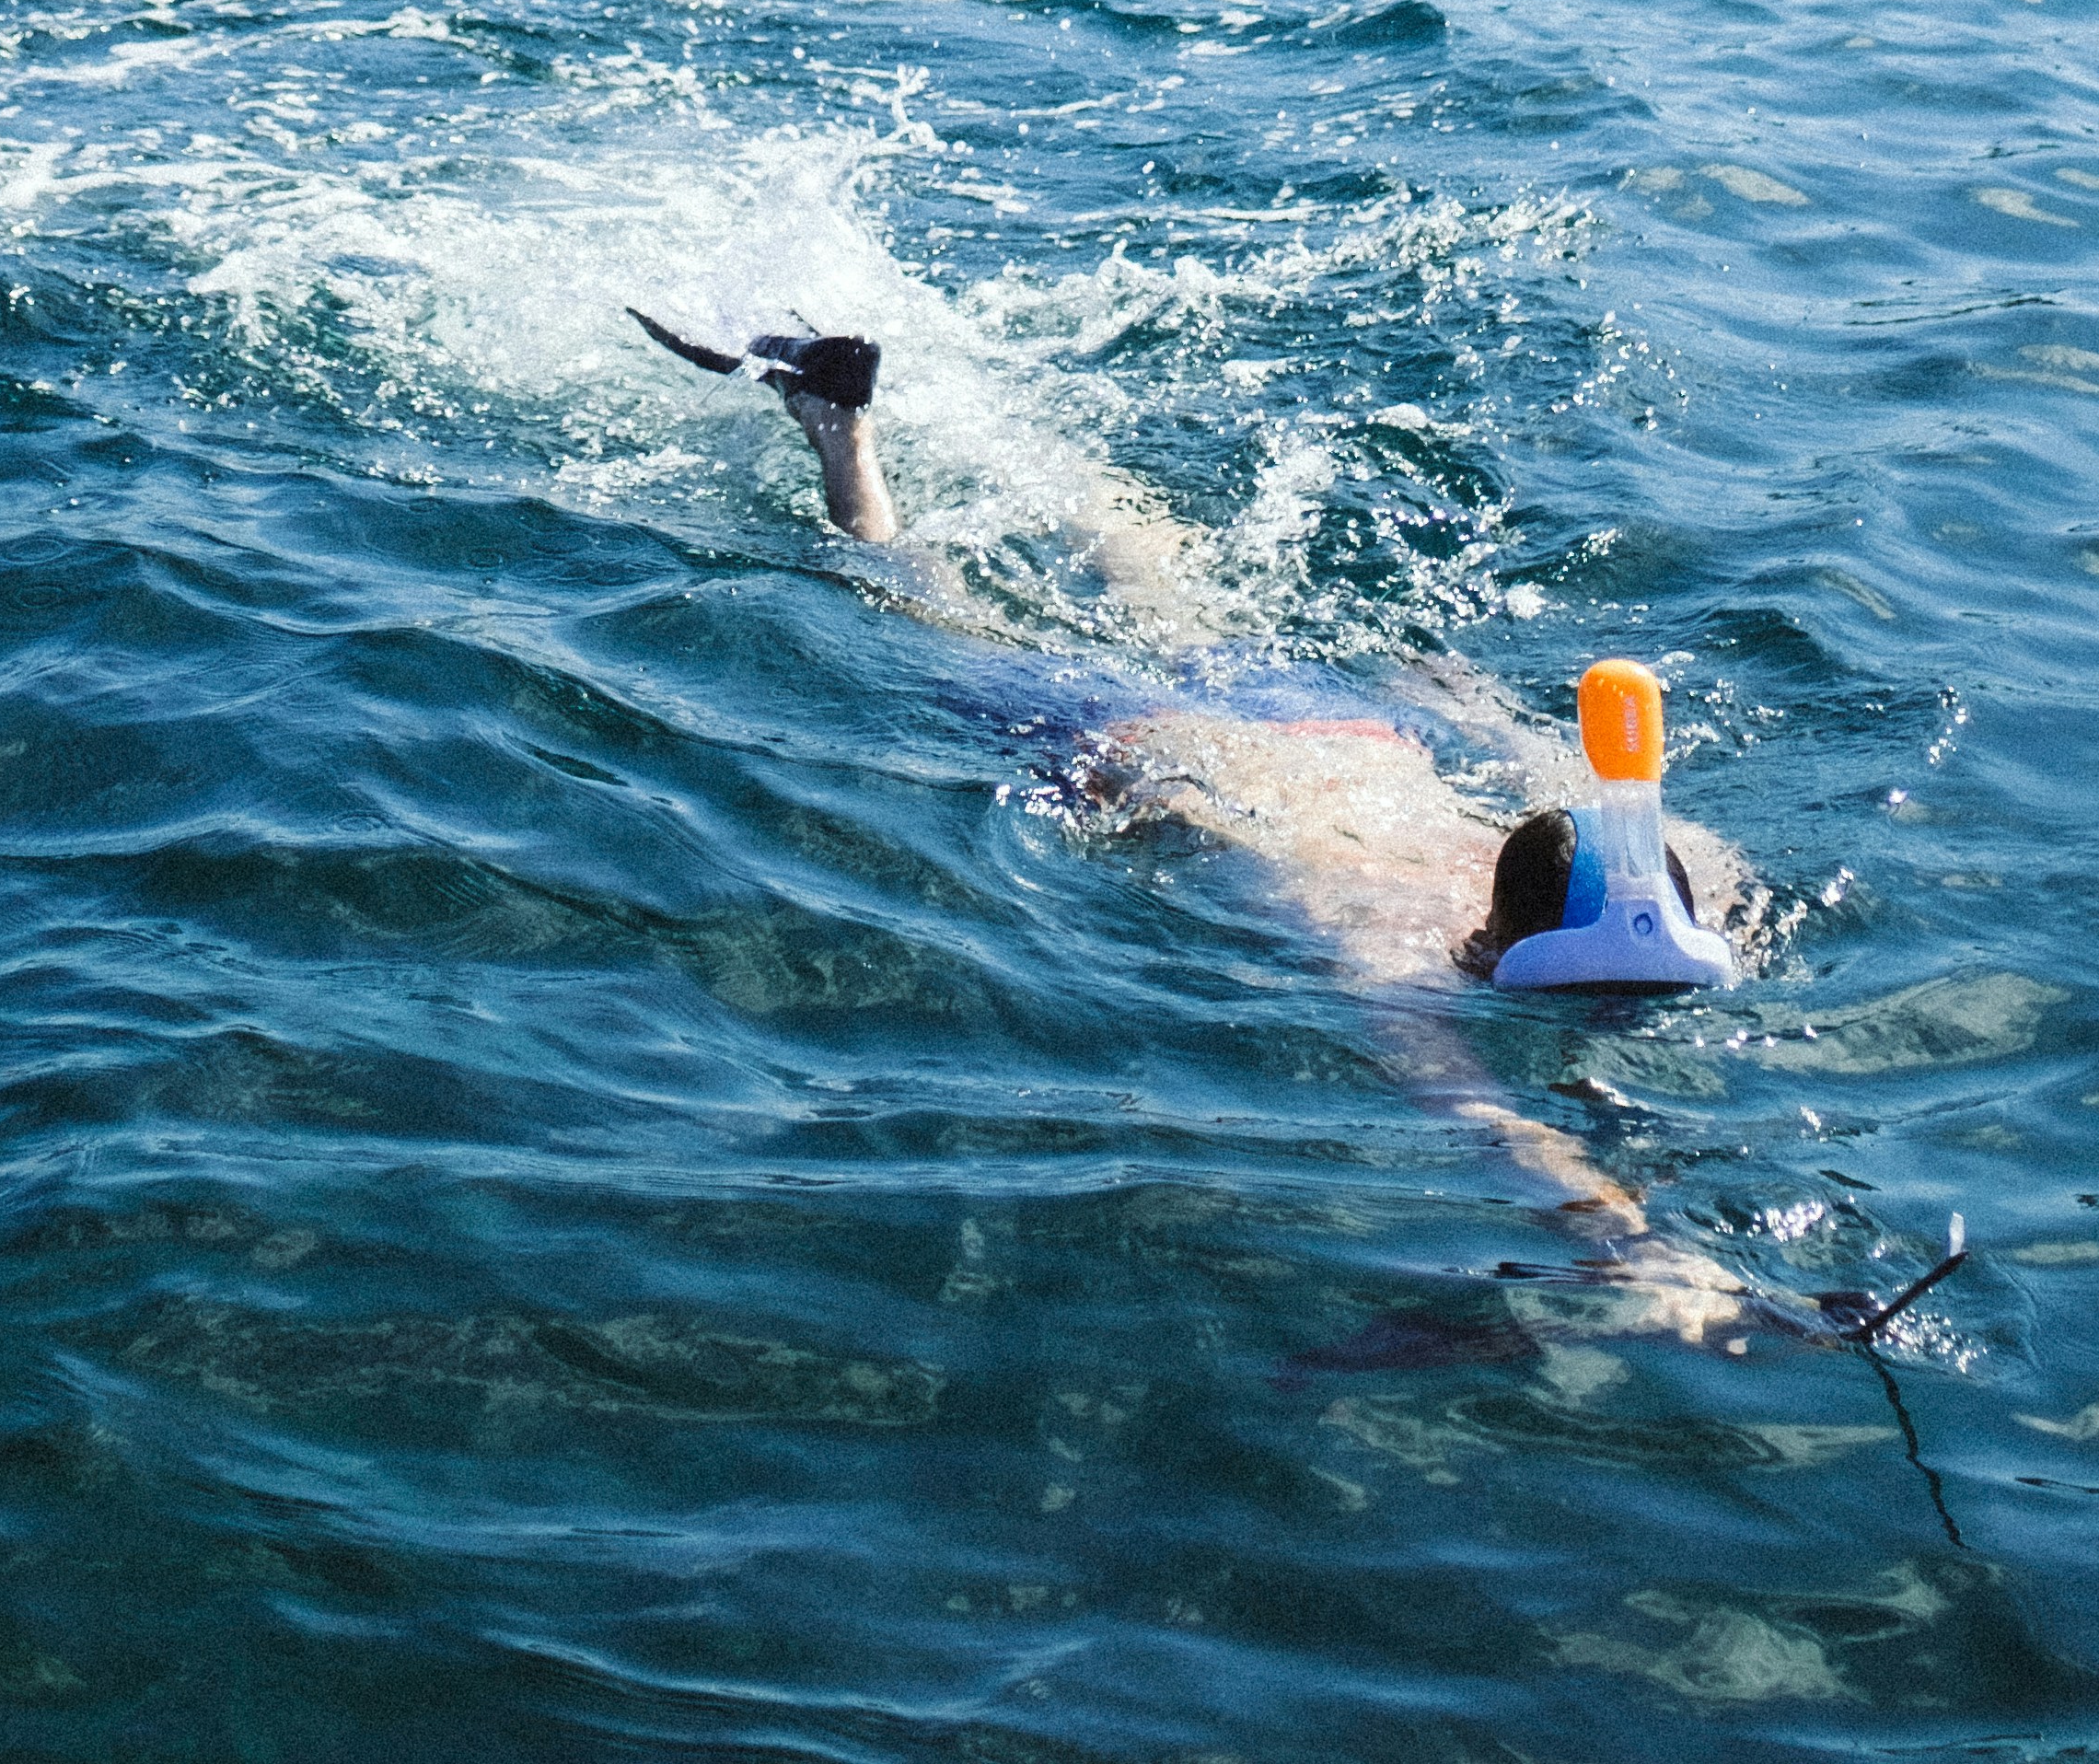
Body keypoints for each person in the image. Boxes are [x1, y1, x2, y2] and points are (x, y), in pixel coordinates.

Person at [637, 313, 1759, 1343]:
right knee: (926, 605)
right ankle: (840, 435)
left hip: (1348, 732)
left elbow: (1563, 777)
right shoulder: (1396, 934)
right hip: (1154, 746)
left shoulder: (1647, 860)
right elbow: (1477, 1107)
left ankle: (1023, 427)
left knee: (1168, 592)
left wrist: (1464, 705)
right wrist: (1634, 1245)